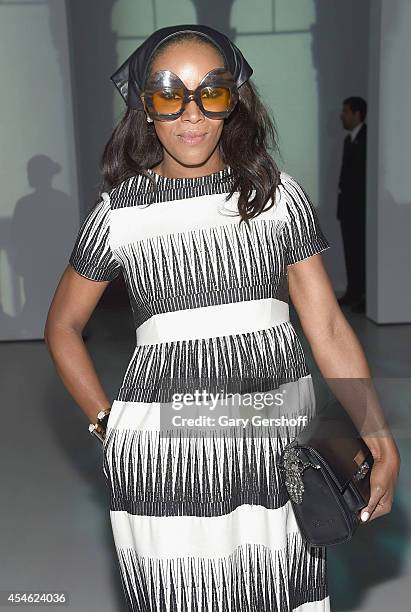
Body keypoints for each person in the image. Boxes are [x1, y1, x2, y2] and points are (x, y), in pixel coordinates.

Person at [44, 25, 400, 611]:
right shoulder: (118, 213)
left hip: (275, 444)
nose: (191, 114)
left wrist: (376, 433)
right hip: (165, 454)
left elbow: (329, 327)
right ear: (144, 106)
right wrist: (106, 424)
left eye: (211, 92)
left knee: (278, 591)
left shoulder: (277, 197)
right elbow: (62, 326)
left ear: (234, 103)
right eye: (168, 93)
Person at [337, 96, 367, 313]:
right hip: (348, 209)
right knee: (350, 252)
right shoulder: (349, 140)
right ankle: (353, 291)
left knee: (361, 253)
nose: (342, 115)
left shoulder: (367, 139)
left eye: (346, 111)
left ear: (357, 114)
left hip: (361, 210)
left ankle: (363, 295)